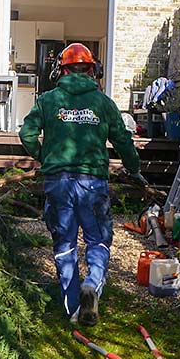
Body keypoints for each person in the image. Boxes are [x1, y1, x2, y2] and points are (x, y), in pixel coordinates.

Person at [18, 43, 148, 326]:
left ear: (60, 71)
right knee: (98, 240)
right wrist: (134, 168)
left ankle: (74, 308)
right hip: (93, 184)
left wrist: (44, 157)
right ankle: (92, 285)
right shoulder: (103, 103)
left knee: (64, 244)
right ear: (93, 70)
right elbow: (123, 141)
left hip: (59, 183)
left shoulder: (48, 100)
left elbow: (27, 134)